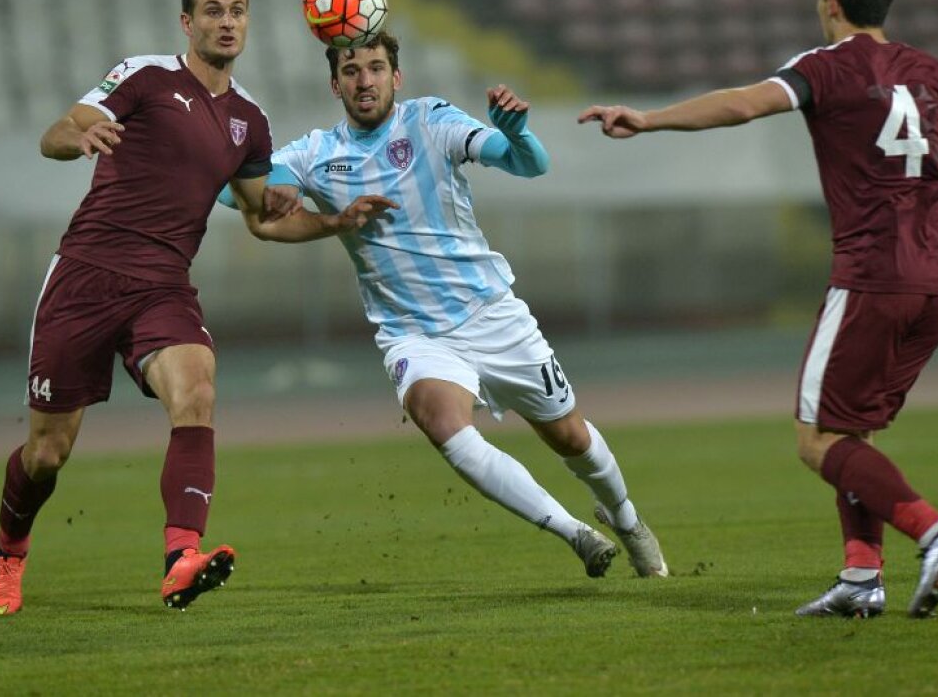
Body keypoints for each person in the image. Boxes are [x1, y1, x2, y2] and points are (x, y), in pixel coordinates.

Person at [579, 0, 938, 617]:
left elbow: (745, 104)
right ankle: (861, 578)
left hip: (871, 277)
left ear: (830, 3)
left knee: (818, 440)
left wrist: (650, 118)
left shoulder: (825, 67)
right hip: (936, 285)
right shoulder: (929, 70)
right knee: (852, 432)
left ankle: (933, 528)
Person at [0, 0, 391, 616]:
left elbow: (261, 214)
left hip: (163, 285)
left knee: (197, 385)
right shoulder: (146, 76)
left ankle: (180, 560)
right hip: (86, 275)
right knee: (47, 452)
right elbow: (57, 130)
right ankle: (10, 548)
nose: (226, 21)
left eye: (237, 10)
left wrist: (333, 223)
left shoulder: (250, 122)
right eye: (212, 10)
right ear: (187, 22)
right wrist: (78, 136)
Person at [219, 30, 668, 579]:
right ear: (334, 83)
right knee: (440, 421)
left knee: (570, 436)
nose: (366, 80)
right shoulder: (316, 154)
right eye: (353, 71)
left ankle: (626, 518)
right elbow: (242, 195)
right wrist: (274, 187)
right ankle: (573, 531)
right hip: (413, 333)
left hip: (491, 313)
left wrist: (517, 134)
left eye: (377, 68)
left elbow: (529, 164)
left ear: (396, 77)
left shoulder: (430, 120)